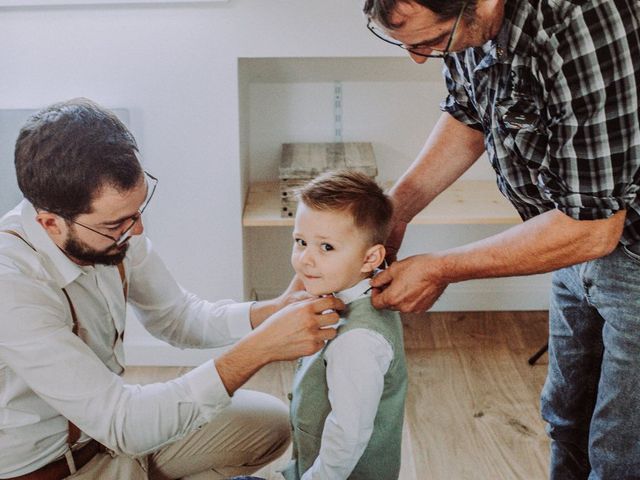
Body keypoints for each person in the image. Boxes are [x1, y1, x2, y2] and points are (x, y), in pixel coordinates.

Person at [362, 0, 640, 478]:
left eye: (432, 42)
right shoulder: (471, 28)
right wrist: (394, 211)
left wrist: (440, 268)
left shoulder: (578, 20)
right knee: (566, 418)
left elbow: (593, 229)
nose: (420, 57)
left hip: (621, 246)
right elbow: (470, 114)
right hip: (563, 234)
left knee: (621, 449)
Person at [0, 98, 345, 480]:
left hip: (110, 441)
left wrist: (268, 312)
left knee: (271, 425)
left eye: (139, 211)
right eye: (117, 224)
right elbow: (125, 423)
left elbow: (177, 318)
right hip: (54, 469)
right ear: (50, 223)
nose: (138, 232)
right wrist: (261, 348)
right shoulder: (11, 285)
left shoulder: (114, 232)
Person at [281, 170, 408, 480]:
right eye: (301, 242)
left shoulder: (359, 339)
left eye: (326, 247)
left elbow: (348, 436)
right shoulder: (344, 295)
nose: (306, 260)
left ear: (370, 259)